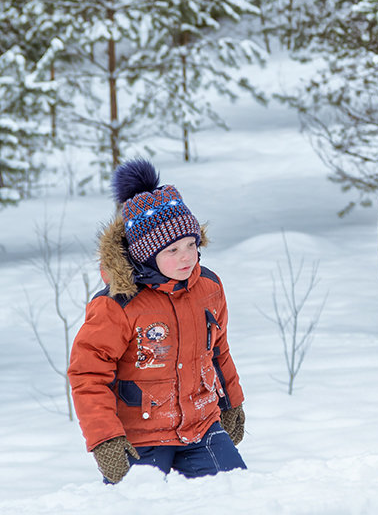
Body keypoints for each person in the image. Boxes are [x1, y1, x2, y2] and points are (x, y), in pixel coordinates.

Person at [68, 159, 247, 483]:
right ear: (146, 255)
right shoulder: (117, 305)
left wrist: (230, 402)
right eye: (172, 250)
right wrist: (105, 439)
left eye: (191, 245)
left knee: (238, 493)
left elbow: (218, 351)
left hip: (202, 425)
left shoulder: (208, 288)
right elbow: (89, 375)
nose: (186, 257)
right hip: (141, 437)